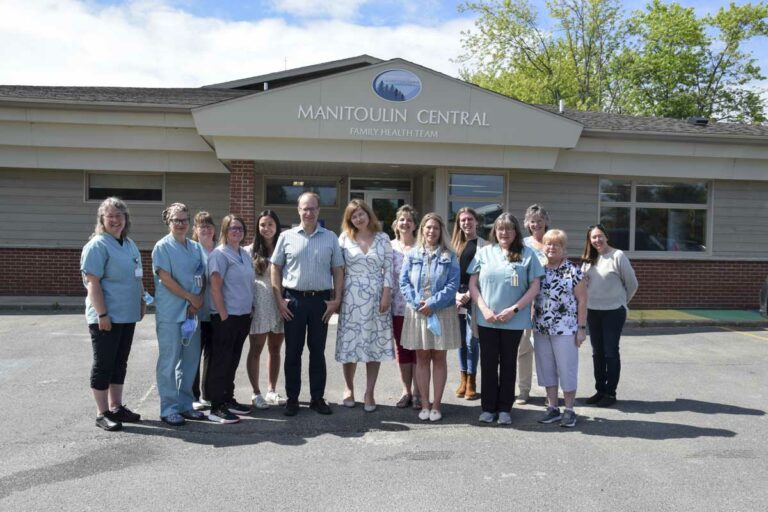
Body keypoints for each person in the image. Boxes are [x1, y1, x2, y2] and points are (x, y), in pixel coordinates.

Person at [271, 192, 344, 416]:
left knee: (317, 352)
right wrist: (279, 300)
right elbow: (275, 267)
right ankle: (292, 399)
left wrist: (336, 300)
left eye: (312, 208)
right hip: (293, 301)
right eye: (305, 208)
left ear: (318, 211)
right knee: (293, 352)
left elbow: (338, 270)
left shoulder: (330, 237)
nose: (309, 212)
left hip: (320, 302)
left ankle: (317, 398)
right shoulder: (286, 236)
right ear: (298, 210)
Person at [468, 213, 543, 425]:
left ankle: (504, 409)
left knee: (509, 363)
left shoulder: (527, 254)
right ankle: (488, 408)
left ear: (516, 232)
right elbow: (473, 284)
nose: (504, 233)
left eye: (509, 229)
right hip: (488, 319)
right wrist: (483, 309)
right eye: (500, 228)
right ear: (495, 231)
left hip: (514, 320)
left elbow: (534, 286)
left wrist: (514, 310)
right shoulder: (484, 252)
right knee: (489, 363)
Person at [80, 197, 145, 431]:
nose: (115, 220)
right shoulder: (97, 245)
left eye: (119, 216)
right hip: (106, 317)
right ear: (102, 220)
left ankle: (116, 407)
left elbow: (137, 276)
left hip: (127, 315)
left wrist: (142, 299)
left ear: (126, 219)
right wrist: (102, 314)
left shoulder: (129, 245)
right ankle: (102, 413)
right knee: (104, 364)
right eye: (110, 216)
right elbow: (93, 283)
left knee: (119, 363)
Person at [400, 213, 461, 422]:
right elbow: (404, 282)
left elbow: (453, 284)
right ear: (422, 230)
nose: (431, 231)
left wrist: (433, 303)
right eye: (428, 227)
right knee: (422, 357)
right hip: (418, 311)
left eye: (435, 228)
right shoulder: (412, 254)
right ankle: (424, 403)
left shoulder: (449, 255)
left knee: (439, 358)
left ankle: (436, 404)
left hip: (441, 311)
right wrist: (419, 303)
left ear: (440, 230)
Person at [335, 199, 395, 412]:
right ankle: (349, 388)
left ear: (368, 214)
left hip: (376, 297)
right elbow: (339, 270)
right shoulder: (344, 238)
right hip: (351, 297)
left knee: (373, 346)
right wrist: (338, 297)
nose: (358, 218)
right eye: (353, 216)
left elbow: (389, 269)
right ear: (349, 220)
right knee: (350, 344)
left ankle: (369, 392)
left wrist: (386, 295)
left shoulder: (383, 238)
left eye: (361, 214)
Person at [151, 203, 206, 426]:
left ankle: (185, 405)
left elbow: (201, 275)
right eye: (176, 220)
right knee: (169, 361)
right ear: (168, 222)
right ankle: (168, 408)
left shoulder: (195, 247)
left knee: (190, 361)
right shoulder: (162, 247)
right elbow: (166, 279)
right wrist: (190, 298)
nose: (181, 224)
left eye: (184, 220)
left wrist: (198, 298)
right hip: (171, 312)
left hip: (192, 313)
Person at [533, 229, 587, 428]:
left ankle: (570, 409)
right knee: (546, 369)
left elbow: (582, 301)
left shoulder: (573, 271)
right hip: (541, 328)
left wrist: (581, 328)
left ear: (563, 248)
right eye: (548, 243)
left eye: (556, 244)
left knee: (567, 369)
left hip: (566, 329)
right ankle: (553, 407)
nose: (551, 247)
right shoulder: (538, 269)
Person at [580, 224, 638, 408]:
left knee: (611, 352)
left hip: (613, 312)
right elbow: (582, 286)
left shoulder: (618, 256)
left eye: (600, 236)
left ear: (606, 236)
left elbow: (632, 284)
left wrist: (622, 301)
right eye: (593, 237)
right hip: (593, 311)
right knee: (597, 353)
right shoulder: (588, 260)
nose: (597, 240)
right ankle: (600, 390)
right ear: (589, 241)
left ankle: (611, 393)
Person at [206, 214, 255, 424]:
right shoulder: (220, 254)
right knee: (221, 360)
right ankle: (216, 406)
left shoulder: (244, 253)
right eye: (232, 228)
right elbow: (215, 288)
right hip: (226, 317)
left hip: (243, 316)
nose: (237, 232)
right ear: (225, 230)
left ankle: (228, 398)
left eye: (240, 229)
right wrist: (224, 315)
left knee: (233, 361)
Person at [244, 210, 286, 410]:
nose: (266, 228)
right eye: (263, 225)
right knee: (256, 349)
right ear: (257, 228)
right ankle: (256, 393)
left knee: (275, 349)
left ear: (277, 227)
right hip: (259, 305)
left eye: (270, 224)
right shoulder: (249, 251)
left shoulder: (285, 248)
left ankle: (271, 390)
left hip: (279, 304)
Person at [450, 207, 488, 401]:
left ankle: (472, 380)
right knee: (459, 340)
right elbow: (448, 273)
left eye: (470, 219)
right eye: (463, 220)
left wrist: (469, 294)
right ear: (459, 223)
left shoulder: (485, 245)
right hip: (456, 297)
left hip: (475, 294)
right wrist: (456, 295)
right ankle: (463, 378)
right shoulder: (452, 245)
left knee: (472, 339)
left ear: (476, 222)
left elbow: (486, 275)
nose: (466, 223)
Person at [517, 203, 550, 404]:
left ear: (546, 221)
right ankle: (523, 390)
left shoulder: (552, 240)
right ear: (527, 224)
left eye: (539, 220)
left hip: (549, 306)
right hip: (526, 303)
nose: (536, 224)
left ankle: (550, 391)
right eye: (532, 221)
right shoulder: (523, 244)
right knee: (523, 349)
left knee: (546, 351)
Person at [390, 205, 421, 409]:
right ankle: (406, 391)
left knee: (417, 350)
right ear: (396, 223)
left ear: (415, 225)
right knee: (402, 350)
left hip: (418, 307)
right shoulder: (389, 247)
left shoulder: (422, 246)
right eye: (402, 219)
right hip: (397, 307)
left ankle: (418, 392)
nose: (405, 223)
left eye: (409, 220)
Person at [191, 211, 216, 411]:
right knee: (193, 354)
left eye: (208, 225)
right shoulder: (191, 250)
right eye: (201, 226)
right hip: (196, 312)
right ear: (195, 230)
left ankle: (208, 393)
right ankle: (193, 396)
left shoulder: (220, 250)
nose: (205, 229)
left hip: (215, 311)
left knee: (212, 354)